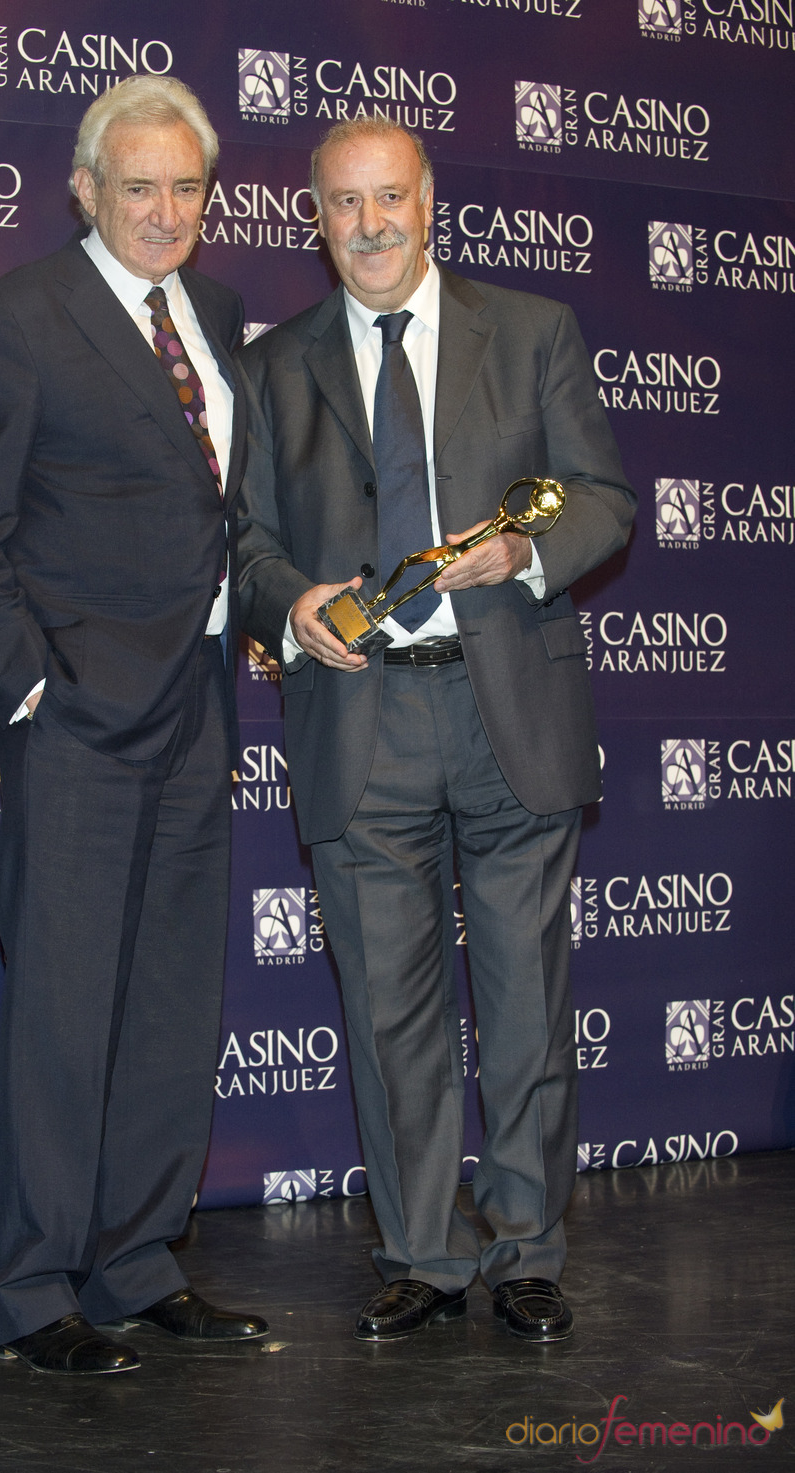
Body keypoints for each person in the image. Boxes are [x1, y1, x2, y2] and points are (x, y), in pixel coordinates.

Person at [237, 118, 635, 1344]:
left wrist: (524, 554)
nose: (369, 226)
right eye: (343, 204)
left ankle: (524, 1251)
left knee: (522, 1003)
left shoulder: (532, 330)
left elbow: (603, 497)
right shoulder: (273, 365)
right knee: (388, 1015)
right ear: (316, 220)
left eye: (389, 198)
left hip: (505, 704)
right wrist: (287, 603)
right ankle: (419, 1255)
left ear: (428, 202)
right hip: (361, 715)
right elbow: (243, 541)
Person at [0, 74, 269, 1375]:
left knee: (170, 1004)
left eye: (186, 188)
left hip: (195, 709)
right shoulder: (22, 314)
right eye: (138, 188)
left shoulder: (216, 313)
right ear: (84, 190)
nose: (164, 211)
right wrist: (29, 692)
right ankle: (28, 1286)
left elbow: (220, 510)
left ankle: (135, 1260)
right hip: (75, 717)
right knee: (62, 1013)